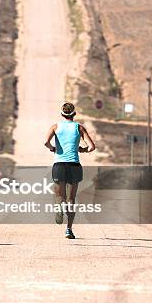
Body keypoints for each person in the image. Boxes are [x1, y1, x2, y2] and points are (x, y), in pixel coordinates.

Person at [44, 102, 96, 238]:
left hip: (59, 165)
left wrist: (53, 148)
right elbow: (91, 147)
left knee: (59, 196)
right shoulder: (79, 128)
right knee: (71, 199)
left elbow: (45, 142)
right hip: (74, 166)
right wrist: (82, 150)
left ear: (62, 114)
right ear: (74, 114)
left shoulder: (55, 127)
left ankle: (58, 208)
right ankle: (69, 229)